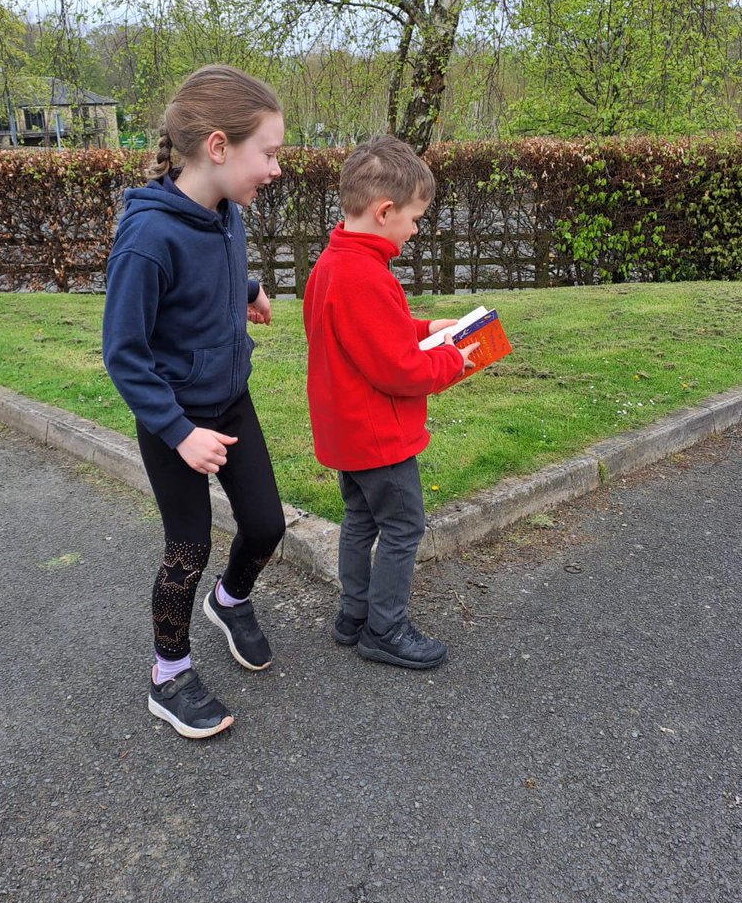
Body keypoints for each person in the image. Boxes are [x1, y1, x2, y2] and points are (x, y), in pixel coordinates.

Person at [103, 65, 287, 739]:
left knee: (267, 526)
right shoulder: (147, 238)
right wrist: (180, 432)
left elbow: (215, 264)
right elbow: (124, 352)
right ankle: (167, 673)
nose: (274, 168)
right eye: (267, 153)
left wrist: (249, 288)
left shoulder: (227, 211)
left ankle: (230, 601)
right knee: (187, 548)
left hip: (230, 400)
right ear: (218, 146)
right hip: (173, 419)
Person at [302, 135, 479, 670]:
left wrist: (427, 327)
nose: (416, 229)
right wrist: (457, 359)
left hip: (345, 432)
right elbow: (399, 369)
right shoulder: (367, 276)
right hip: (380, 436)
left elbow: (364, 336)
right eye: (415, 218)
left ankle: (353, 615)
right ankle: (386, 628)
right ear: (384, 211)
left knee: (360, 520)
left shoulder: (332, 264)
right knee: (403, 527)